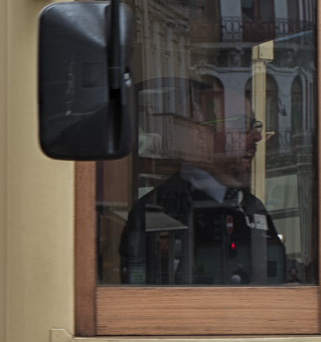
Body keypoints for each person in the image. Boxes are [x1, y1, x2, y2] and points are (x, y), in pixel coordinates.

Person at [117, 79, 287, 285]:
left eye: (255, 126)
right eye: (243, 125)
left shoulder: (252, 207)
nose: (257, 136)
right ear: (200, 136)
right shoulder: (158, 210)